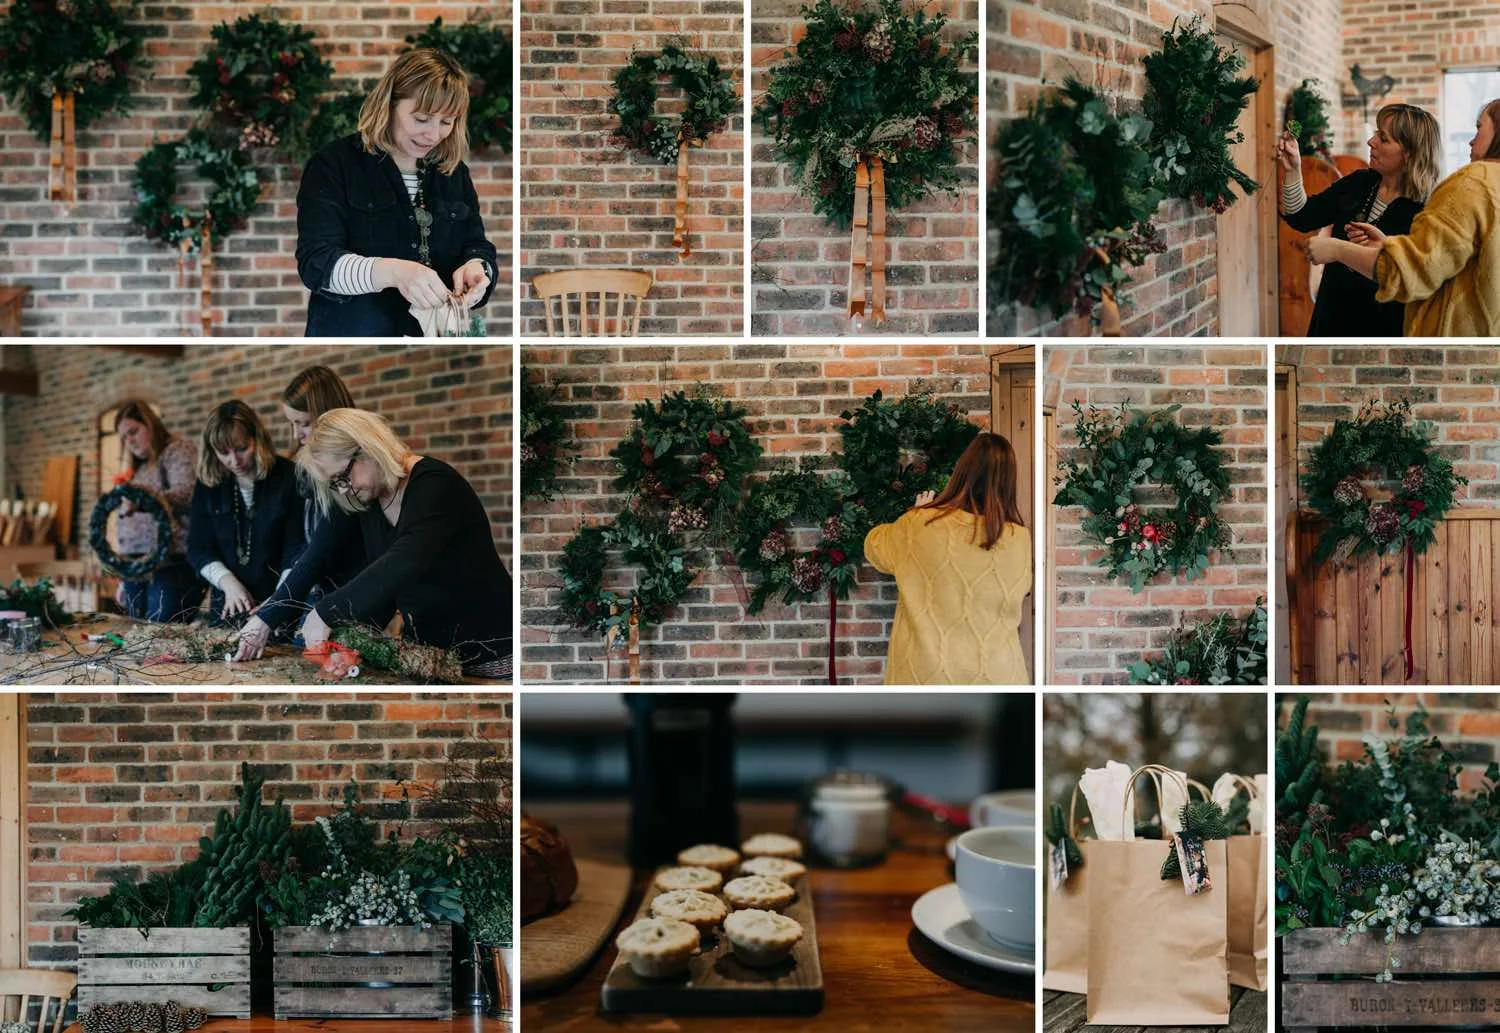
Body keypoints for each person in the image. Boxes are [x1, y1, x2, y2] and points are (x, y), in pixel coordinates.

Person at [232, 409, 512, 678]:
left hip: (494, 656)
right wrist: (351, 646)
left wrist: (326, 612)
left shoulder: (435, 485)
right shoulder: (367, 501)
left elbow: (404, 562)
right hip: (434, 660)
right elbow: (362, 578)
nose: (344, 489)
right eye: (335, 484)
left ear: (367, 449)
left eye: (343, 477)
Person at [296, 48, 497, 336]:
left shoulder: (454, 173)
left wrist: (477, 267)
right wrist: (393, 273)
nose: (433, 135)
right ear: (389, 104)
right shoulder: (334, 164)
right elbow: (316, 264)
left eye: (446, 122)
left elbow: (477, 245)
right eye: (422, 118)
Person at [1306, 98, 1500, 335]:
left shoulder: (1472, 183)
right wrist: (1386, 247)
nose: (1471, 139)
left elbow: (1415, 271)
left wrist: (1337, 250)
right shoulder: (1361, 182)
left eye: (1479, 127)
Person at [863, 433, 1032, 685]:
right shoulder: (1018, 538)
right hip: (999, 675)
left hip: (925, 678)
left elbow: (873, 545)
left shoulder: (919, 524)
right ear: (1008, 482)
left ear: (962, 471)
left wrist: (916, 514)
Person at [1277, 103, 1438, 336]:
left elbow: (1415, 283)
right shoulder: (1360, 182)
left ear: (1409, 153)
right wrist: (1293, 170)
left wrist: (1338, 250)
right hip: (1329, 325)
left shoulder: (1428, 212)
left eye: (1383, 139)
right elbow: (1302, 216)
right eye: (1376, 134)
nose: (1371, 142)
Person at [186, 401, 306, 626]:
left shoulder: (288, 476)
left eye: (242, 448)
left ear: (256, 439)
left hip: (280, 600)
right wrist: (227, 582)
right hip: (228, 603)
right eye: (223, 453)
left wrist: (279, 600)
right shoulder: (209, 484)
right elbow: (197, 547)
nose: (234, 461)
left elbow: (296, 547)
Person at [110, 401, 204, 622]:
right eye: (124, 437)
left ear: (150, 424)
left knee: (162, 633)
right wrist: (124, 577)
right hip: (137, 567)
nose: (129, 441)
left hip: (171, 563)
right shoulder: (141, 468)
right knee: (136, 633)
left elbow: (187, 492)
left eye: (133, 432)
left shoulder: (177, 450)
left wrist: (143, 499)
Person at [280, 365, 363, 597]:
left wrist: (276, 604)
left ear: (329, 416)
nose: (296, 434)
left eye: (304, 423)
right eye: (292, 423)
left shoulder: (350, 470)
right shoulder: (301, 467)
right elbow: (299, 541)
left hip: (348, 589)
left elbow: (325, 544)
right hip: (315, 583)